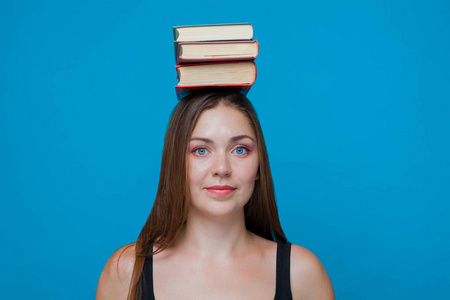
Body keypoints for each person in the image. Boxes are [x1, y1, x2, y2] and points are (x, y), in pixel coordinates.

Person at [96, 90, 335, 300]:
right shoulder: (126, 272)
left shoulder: (302, 273)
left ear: (259, 166)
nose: (222, 168)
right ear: (175, 163)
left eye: (240, 149)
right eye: (201, 150)